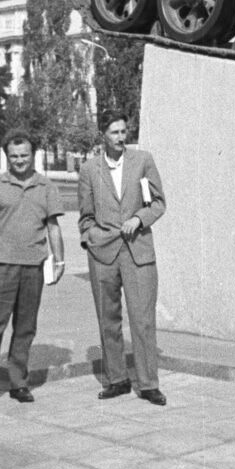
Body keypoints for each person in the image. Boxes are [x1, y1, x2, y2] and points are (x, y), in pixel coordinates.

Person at [0, 130, 65, 414]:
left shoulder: (46, 186)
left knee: (25, 328)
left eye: (24, 155)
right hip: (0, 267)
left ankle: (18, 382)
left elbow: (53, 227)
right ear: (6, 157)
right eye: (14, 156)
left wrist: (59, 261)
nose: (19, 160)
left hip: (33, 268)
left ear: (33, 155)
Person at [78, 109, 167, 406]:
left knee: (142, 320)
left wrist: (139, 219)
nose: (120, 137)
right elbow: (85, 216)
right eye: (114, 132)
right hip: (103, 253)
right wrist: (91, 238)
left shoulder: (142, 161)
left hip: (137, 251)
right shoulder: (89, 170)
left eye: (123, 131)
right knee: (108, 320)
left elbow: (158, 203)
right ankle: (117, 379)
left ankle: (148, 384)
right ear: (102, 135)